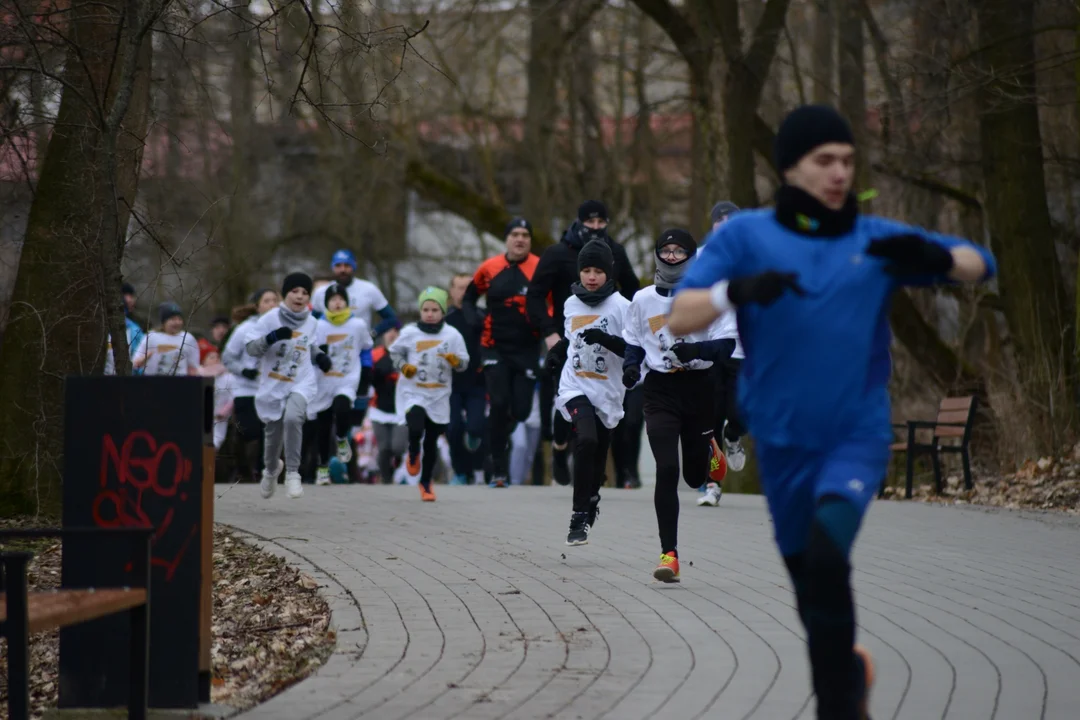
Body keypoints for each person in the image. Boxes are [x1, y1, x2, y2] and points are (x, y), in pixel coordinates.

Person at [668, 104, 997, 720]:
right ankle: (847, 674)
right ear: (793, 167)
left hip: (856, 434)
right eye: (826, 160)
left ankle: (838, 708)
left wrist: (936, 258)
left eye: (847, 160)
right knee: (809, 588)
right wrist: (733, 291)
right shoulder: (745, 237)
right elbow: (680, 316)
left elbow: (982, 264)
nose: (840, 171)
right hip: (784, 441)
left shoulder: (872, 239)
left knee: (826, 557)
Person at [622, 229, 729, 582]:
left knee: (695, 476)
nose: (670, 256)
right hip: (660, 392)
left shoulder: (709, 296)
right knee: (667, 470)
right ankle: (669, 554)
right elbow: (634, 341)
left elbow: (727, 345)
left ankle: (711, 445)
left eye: (678, 251)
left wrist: (696, 350)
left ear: (691, 256)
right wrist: (630, 366)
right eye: (664, 250)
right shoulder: (642, 299)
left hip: (699, 389)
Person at [526, 201, 640, 486]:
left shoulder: (616, 252)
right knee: (565, 403)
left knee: (604, 410)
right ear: (579, 223)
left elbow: (635, 291)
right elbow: (535, 295)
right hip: (567, 337)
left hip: (604, 340)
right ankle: (560, 448)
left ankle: (605, 469)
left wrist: (627, 332)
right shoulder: (556, 253)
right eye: (590, 223)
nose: (596, 228)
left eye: (602, 223)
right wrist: (550, 333)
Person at [546, 240, 630, 546]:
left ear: (608, 274)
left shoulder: (622, 306)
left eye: (597, 271)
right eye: (586, 270)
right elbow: (572, 340)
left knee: (597, 453)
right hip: (575, 386)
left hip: (607, 391)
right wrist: (558, 351)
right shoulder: (571, 303)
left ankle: (592, 495)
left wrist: (606, 340)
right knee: (586, 439)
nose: (591, 277)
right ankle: (578, 516)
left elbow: (633, 350)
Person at [462, 217, 542, 488]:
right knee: (498, 402)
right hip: (493, 345)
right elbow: (469, 298)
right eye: (515, 234)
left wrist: (550, 329)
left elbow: (552, 303)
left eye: (525, 235)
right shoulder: (489, 267)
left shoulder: (539, 268)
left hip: (528, 348)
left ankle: (494, 437)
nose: (520, 239)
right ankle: (498, 467)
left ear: (530, 241)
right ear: (506, 239)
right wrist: (473, 318)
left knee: (519, 411)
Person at [246, 273, 333, 500]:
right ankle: (272, 469)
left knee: (294, 418)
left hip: (300, 381)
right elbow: (251, 349)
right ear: (285, 294)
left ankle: (293, 473)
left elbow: (309, 345)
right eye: (295, 291)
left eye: (305, 293)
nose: (300, 296)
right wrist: (271, 337)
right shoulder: (269, 319)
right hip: (273, 382)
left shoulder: (312, 321)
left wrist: (320, 357)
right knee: (273, 432)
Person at [389, 287, 470, 501]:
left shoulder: (452, 335)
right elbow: (394, 352)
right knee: (415, 426)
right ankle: (413, 452)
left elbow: (464, 362)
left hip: (439, 394)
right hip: (413, 391)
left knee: (432, 440)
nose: (430, 313)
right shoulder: (409, 332)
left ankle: (426, 483)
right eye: (425, 309)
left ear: (443, 311)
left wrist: (456, 361)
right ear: (420, 311)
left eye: (435, 309)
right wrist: (403, 366)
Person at [695, 200, 747, 508]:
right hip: (711, 347)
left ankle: (736, 434)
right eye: (720, 220)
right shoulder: (700, 259)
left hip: (745, 348)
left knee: (742, 411)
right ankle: (712, 484)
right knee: (710, 420)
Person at [309, 283, 374, 485]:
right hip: (323, 380)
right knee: (323, 425)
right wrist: (319, 358)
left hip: (347, 378)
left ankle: (341, 438)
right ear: (326, 303)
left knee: (343, 407)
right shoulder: (318, 326)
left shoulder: (358, 325)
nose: (337, 303)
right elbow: (309, 352)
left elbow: (366, 349)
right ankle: (322, 468)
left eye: (341, 299)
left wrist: (366, 374)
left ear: (346, 302)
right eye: (332, 300)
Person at [222, 289, 280, 482]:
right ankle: (241, 465)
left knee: (269, 431)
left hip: (271, 389)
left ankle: (262, 470)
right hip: (246, 389)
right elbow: (228, 357)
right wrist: (243, 370)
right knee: (250, 431)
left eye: (275, 300)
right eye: (267, 301)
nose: (272, 304)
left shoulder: (284, 328)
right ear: (258, 306)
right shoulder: (245, 329)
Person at [445, 272, 487, 485]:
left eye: (467, 287)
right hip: (451, 383)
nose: (463, 292)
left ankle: (474, 468)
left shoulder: (483, 316)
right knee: (453, 428)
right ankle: (460, 471)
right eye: (459, 287)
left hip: (477, 382)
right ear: (452, 292)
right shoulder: (445, 320)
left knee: (475, 427)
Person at [311, 249, 398, 336]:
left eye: (347, 265)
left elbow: (391, 318)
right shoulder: (321, 292)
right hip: (330, 346)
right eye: (338, 265)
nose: (343, 270)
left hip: (360, 347)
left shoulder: (369, 289)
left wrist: (373, 333)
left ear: (354, 266)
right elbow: (312, 322)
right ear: (332, 267)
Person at [369, 323, 407, 484]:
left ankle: (396, 462)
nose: (392, 334)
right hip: (380, 410)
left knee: (397, 446)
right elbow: (367, 379)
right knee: (384, 448)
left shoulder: (407, 356)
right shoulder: (375, 355)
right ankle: (386, 479)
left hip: (402, 410)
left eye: (396, 331)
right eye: (389, 331)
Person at [133, 302, 201, 376]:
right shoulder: (151, 337)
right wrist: (146, 357)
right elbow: (135, 363)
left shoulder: (188, 338)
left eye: (179, 319)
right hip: (153, 383)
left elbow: (193, 367)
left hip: (180, 384)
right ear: (164, 322)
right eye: (173, 319)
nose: (177, 322)